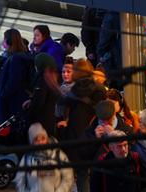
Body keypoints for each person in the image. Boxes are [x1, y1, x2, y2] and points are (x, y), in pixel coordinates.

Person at [57, 58, 106, 192]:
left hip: (74, 135)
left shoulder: (72, 90)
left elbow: (61, 110)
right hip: (94, 133)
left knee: (78, 174)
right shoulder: (100, 89)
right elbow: (103, 112)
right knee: (89, 174)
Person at [0, 28, 33, 134]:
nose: (3, 42)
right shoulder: (20, 57)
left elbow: (13, 81)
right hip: (14, 100)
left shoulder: (16, 59)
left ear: (9, 41)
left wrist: (3, 94)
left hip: (11, 103)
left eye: (4, 39)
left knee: (5, 131)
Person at [14, 123, 74, 192]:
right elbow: (19, 180)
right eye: (36, 139)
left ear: (47, 138)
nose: (40, 142)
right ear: (32, 142)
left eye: (43, 138)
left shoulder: (58, 155)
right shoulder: (27, 158)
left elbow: (68, 177)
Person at [28, 53, 62, 136]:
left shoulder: (42, 80)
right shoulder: (53, 78)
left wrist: (29, 113)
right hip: (49, 120)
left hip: (40, 123)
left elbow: (38, 103)